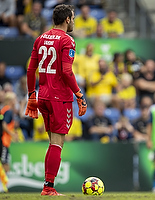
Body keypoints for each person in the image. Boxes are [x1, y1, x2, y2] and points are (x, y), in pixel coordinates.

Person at [25, 4, 87, 196]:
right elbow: (67, 71)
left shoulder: (40, 38)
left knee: (53, 142)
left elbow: (30, 70)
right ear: (67, 19)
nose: (74, 21)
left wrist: (31, 95)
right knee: (57, 143)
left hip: (43, 95)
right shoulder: (67, 40)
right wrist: (79, 94)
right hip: (59, 98)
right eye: (73, 18)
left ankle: (48, 185)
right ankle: (48, 187)